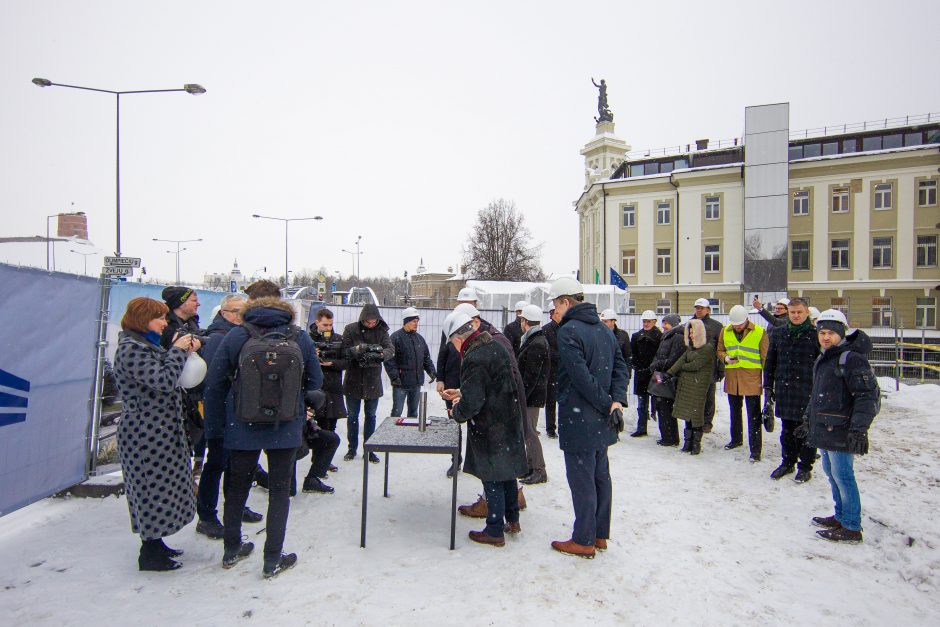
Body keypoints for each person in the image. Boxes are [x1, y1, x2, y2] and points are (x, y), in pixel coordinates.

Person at [203, 296, 323, 578]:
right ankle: (273, 558)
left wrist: (216, 428)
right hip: (285, 426)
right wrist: (299, 408)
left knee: (236, 488)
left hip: (242, 425)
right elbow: (315, 384)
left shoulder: (237, 336)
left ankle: (232, 548)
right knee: (280, 492)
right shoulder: (299, 337)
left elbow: (215, 383)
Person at [112, 297, 202, 571]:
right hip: (145, 436)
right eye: (159, 318)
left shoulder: (143, 344)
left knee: (162, 489)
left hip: (159, 432)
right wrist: (176, 350)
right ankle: (150, 552)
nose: (165, 323)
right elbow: (162, 380)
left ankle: (156, 542)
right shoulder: (130, 349)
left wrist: (185, 353)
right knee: (150, 492)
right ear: (142, 319)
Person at [549, 278, 628, 559]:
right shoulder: (603, 330)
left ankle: (584, 539)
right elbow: (620, 366)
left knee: (582, 480)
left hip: (580, 417)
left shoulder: (569, 331)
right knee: (599, 477)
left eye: (555, 305)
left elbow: (580, 377)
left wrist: (608, 402)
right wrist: (615, 401)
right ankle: (599, 534)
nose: (554, 312)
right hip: (601, 419)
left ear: (566, 302)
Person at [447, 312, 528, 547]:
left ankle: (494, 530)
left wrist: (457, 411)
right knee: (508, 474)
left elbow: (474, 402)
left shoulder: (475, 356)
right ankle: (512, 520)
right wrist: (462, 393)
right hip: (508, 420)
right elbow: (492, 384)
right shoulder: (494, 346)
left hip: (491, 426)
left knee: (492, 477)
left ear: (458, 338)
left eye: (452, 342)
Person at [800, 309, 879, 544]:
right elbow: (818, 395)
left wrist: (858, 429)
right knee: (832, 473)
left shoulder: (851, 358)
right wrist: (808, 419)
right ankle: (841, 516)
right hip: (825, 426)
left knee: (843, 476)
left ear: (841, 333)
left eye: (831, 333)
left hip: (841, 428)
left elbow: (866, 397)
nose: (825, 337)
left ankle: (852, 526)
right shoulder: (826, 356)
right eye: (822, 332)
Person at [195, 294, 264, 540]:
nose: (240, 315)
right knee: (216, 464)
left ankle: (234, 508)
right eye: (236, 310)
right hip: (222, 414)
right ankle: (206, 516)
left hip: (237, 413)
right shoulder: (218, 338)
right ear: (224, 312)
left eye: (244, 311)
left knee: (235, 465)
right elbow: (214, 383)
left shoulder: (240, 335)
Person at [764, 297, 819, 483]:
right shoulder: (779, 333)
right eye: (792, 312)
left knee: (807, 431)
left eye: (799, 312)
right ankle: (787, 462)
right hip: (785, 389)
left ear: (807, 313)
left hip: (808, 390)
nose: (795, 316)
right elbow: (770, 363)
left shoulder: (816, 335)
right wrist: (768, 387)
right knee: (787, 431)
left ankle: (805, 467)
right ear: (788, 313)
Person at [159, 286, 206, 475]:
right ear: (181, 303)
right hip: (174, 396)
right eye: (194, 300)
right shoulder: (168, 328)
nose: (199, 303)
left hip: (195, 393)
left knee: (196, 433)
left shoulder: (191, 324)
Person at [342, 304, 394, 462]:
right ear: (362, 320)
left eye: (374, 322)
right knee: (352, 416)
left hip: (373, 379)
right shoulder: (351, 329)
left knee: (371, 416)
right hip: (353, 378)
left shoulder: (382, 331)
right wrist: (357, 350)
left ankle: (369, 449)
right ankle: (352, 449)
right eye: (368, 322)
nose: (371, 325)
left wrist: (380, 355)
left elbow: (390, 349)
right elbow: (344, 351)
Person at [717, 304, 769, 461]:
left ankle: (755, 450)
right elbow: (720, 350)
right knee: (734, 411)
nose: (737, 327)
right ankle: (736, 439)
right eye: (734, 324)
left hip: (752, 379)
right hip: (733, 378)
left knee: (754, 416)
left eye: (739, 324)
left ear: (746, 320)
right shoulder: (725, 331)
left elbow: (765, 357)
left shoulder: (759, 332)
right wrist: (725, 358)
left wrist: (768, 381)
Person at [437, 287, 478, 476]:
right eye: (464, 304)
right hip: (453, 382)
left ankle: (475, 460)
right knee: (454, 423)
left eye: (470, 305)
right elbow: (442, 353)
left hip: (473, 382)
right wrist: (440, 378)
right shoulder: (451, 326)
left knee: (475, 424)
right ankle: (456, 460)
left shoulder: (478, 328)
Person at [668, 318, 716, 455]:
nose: (691, 335)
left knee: (696, 415)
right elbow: (681, 361)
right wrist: (669, 372)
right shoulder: (690, 348)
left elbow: (695, 365)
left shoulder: (707, 348)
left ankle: (696, 444)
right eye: (689, 332)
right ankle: (688, 442)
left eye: (693, 332)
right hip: (687, 385)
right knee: (687, 415)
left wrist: (682, 368)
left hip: (698, 386)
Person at [516, 304, 550, 485]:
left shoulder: (536, 343)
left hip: (531, 397)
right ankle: (531, 467)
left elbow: (531, 376)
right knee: (527, 431)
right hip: (532, 396)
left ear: (526, 321)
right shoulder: (534, 339)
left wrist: (522, 395)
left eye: (522, 320)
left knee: (530, 433)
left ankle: (539, 469)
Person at [385, 307, 436, 418]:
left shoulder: (420, 339)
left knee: (413, 414)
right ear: (406, 322)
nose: (416, 324)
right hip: (401, 384)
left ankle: (411, 435)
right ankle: (392, 434)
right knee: (396, 413)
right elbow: (389, 360)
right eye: (413, 321)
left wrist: (431, 371)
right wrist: (395, 377)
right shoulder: (395, 337)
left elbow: (426, 358)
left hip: (416, 383)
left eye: (417, 321)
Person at [649, 314, 685, 446]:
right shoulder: (666, 336)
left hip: (669, 376)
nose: (663, 326)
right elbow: (659, 355)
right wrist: (655, 365)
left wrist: (658, 365)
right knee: (661, 406)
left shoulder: (677, 337)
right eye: (663, 322)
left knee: (666, 407)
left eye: (666, 323)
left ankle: (671, 438)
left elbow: (673, 359)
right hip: (660, 374)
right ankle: (666, 436)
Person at [692, 298, 724, 434]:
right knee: (694, 396)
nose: (699, 310)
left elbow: (721, 348)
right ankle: (695, 420)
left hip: (709, 367)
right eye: (697, 308)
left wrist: (721, 368)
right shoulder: (689, 323)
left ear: (708, 310)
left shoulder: (716, 326)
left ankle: (707, 422)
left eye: (702, 308)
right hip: (693, 366)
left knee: (709, 396)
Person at [600, 309, 633, 434]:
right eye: (602, 321)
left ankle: (616, 426)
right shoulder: (598, 334)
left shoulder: (622, 335)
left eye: (606, 321)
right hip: (604, 373)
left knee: (616, 401)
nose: (603, 323)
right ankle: (606, 426)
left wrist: (626, 374)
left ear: (613, 322)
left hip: (617, 374)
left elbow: (628, 356)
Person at [630, 310, 662, 440]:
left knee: (658, 402)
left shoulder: (660, 336)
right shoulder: (636, 336)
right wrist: (638, 367)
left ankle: (663, 430)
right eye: (644, 321)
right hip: (641, 374)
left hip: (656, 374)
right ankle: (641, 428)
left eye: (648, 321)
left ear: (654, 322)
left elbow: (660, 355)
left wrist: (652, 368)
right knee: (642, 404)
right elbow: (633, 354)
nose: (646, 323)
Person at [542, 301, 561, 438]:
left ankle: (564, 427)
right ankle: (550, 428)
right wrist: (563, 356)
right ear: (552, 314)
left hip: (565, 371)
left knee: (565, 401)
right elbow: (547, 350)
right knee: (551, 401)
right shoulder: (546, 329)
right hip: (552, 370)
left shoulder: (567, 328)